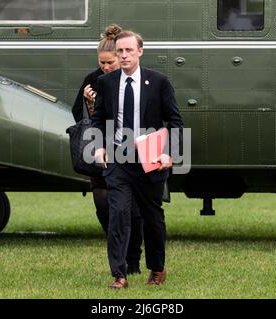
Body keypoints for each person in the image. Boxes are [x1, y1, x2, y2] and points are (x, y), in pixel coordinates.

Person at [91, 30, 184, 289]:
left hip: (150, 160)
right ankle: (119, 275)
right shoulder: (107, 83)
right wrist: (99, 147)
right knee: (118, 213)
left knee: (152, 217)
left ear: (140, 52)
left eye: (128, 51)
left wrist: (171, 153)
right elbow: (98, 119)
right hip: (119, 160)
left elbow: (175, 120)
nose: (123, 56)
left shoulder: (159, 82)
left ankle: (157, 268)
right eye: (119, 51)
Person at [72, 24, 143, 275]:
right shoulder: (92, 80)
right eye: (102, 62)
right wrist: (89, 103)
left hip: (127, 146)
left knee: (131, 210)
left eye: (110, 62)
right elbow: (78, 115)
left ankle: (133, 259)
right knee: (104, 205)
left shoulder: (134, 78)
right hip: (101, 147)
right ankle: (119, 252)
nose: (106, 67)